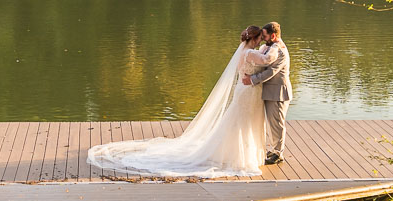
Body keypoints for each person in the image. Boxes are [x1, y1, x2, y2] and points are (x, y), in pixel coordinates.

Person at [86, 25, 271, 177]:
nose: (261, 42)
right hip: (248, 92)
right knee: (243, 123)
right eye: (259, 39)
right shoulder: (251, 54)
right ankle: (241, 157)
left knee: (239, 122)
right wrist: (278, 47)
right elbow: (267, 60)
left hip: (245, 90)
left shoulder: (244, 52)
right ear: (254, 39)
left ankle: (235, 153)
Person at [241, 21, 290, 164]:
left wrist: (252, 79)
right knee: (272, 123)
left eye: (265, 36)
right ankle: (275, 149)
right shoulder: (270, 47)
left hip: (278, 92)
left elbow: (271, 72)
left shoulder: (279, 50)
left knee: (277, 124)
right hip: (269, 91)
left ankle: (278, 154)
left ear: (273, 35)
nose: (263, 38)